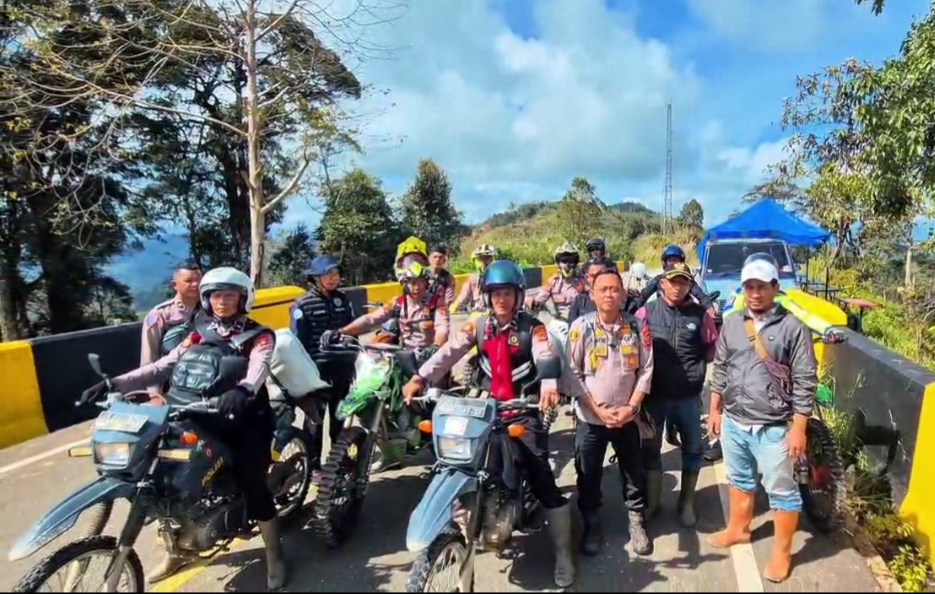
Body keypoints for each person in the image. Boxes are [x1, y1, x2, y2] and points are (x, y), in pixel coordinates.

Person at [81, 267, 288, 590]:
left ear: (243, 299)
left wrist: (243, 390)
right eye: (215, 296)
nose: (222, 302)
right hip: (195, 414)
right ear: (207, 299)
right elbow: (163, 365)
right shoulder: (198, 333)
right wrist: (115, 382)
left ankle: (275, 556)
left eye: (229, 296)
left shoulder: (259, 335)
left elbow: (258, 369)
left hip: (244, 419)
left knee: (252, 482)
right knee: (161, 479)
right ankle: (176, 551)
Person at [401, 260, 580, 588]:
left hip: (521, 409)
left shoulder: (533, 328)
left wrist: (549, 384)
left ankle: (563, 553)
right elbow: (449, 352)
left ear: (518, 295)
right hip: (483, 408)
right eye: (495, 293)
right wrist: (420, 377)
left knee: (540, 474)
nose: (502, 299)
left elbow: (545, 354)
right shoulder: (478, 326)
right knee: (458, 460)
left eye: (508, 293)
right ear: (486, 295)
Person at [707, 257, 817, 583]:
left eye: (761, 287)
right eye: (749, 287)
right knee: (739, 479)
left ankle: (782, 554)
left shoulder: (793, 328)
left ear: (775, 287)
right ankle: (738, 529)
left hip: (773, 426)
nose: (754, 293)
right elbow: (721, 367)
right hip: (734, 421)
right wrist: (714, 409)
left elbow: (805, 380)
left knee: (782, 491)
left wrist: (799, 428)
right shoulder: (732, 322)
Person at [567, 266, 654, 557]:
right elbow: (572, 373)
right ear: (592, 294)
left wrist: (631, 407)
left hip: (628, 418)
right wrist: (597, 410)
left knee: (633, 471)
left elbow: (646, 370)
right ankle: (592, 523)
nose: (609, 294)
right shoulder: (580, 327)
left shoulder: (637, 327)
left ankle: (636, 521)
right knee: (588, 474)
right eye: (603, 289)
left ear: (623, 294)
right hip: (591, 419)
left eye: (614, 289)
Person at [635, 262, 719, 527]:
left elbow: (711, 348)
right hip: (654, 396)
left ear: (690, 285)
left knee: (694, 448)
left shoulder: (700, 315)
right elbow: (634, 349)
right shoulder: (646, 312)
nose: (678, 287)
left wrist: (695, 371)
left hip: (688, 397)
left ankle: (686, 502)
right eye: (673, 281)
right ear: (662, 283)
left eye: (683, 282)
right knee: (650, 449)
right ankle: (653, 502)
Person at [290, 254, 357, 464]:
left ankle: (339, 462)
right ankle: (312, 466)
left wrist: (354, 359)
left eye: (336, 274)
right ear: (315, 278)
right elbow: (297, 343)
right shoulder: (302, 305)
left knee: (340, 418)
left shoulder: (343, 300)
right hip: (316, 373)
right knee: (314, 423)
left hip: (342, 370)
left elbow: (353, 331)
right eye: (328, 274)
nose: (333, 278)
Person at [724, 253, 838, 338]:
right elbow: (728, 318)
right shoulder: (738, 295)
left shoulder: (781, 298)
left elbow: (804, 316)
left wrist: (827, 329)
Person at [140, 262, 204, 366]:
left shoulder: (210, 308)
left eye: (198, 280)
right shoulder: (160, 314)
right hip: (171, 370)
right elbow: (149, 355)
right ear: (175, 285)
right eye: (189, 281)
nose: (195, 284)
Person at [526, 242, 585, 319]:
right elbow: (540, 299)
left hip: (580, 320)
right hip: (560, 322)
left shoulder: (584, 281)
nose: (567, 264)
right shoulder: (552, 282)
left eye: (571, 260)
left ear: (576, 262)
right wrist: (531, 301)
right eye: (564, 261)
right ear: (558, 263)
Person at [635, 245, 708, 307]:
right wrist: (634, 308)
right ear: (665, 263)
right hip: (662, 313)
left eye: (676, 260)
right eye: (670, 261)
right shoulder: (659, 279)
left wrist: (709, 307)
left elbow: (701, 295)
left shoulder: (687, 279)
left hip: (684, 313)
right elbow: (643, 295)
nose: (673, 264)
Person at [568, 257, 626, 324]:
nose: (597, 278)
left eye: (601, 275)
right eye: (593, 275)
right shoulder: (579, 301)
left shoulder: (622, 299)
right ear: (587, 277)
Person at [451, 243, 497, 312]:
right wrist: (454, 306)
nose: (484, 261)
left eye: (488, 258)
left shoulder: (500, 277)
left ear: (494, 259)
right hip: (478, 313)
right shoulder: (473, 278)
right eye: (481, 258)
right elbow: (463, 297)